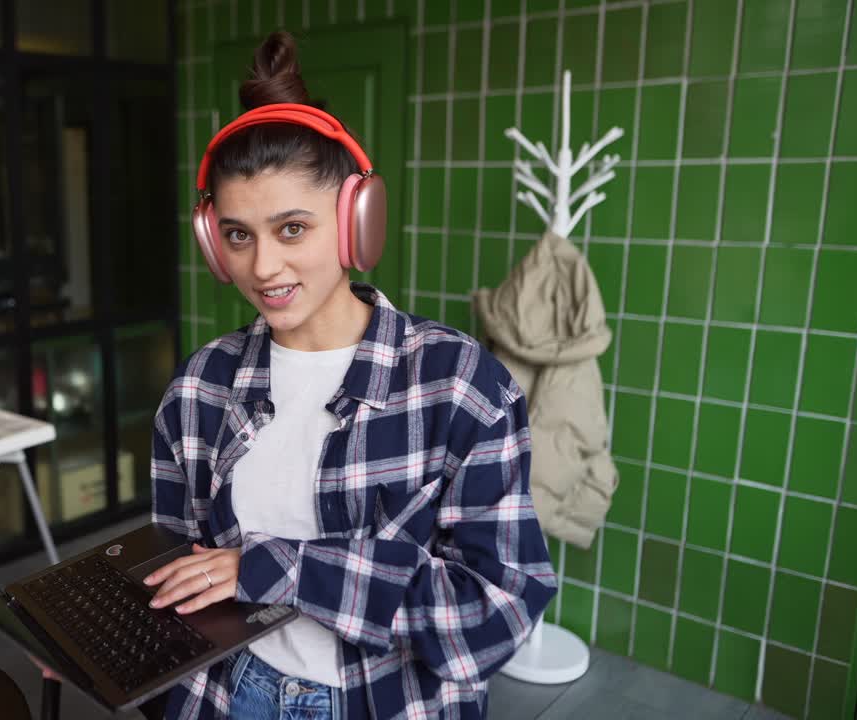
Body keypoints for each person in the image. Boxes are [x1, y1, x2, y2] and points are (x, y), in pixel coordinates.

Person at [141, 30, 557, 720]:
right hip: (229, 694)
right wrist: (96, 639)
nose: (264, 268)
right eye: (239, 235)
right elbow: (181, 572)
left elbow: (497, 613)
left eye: (293, 229)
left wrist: (280, 568)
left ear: (355, 220)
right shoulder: (199, 388)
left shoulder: (457, 385)